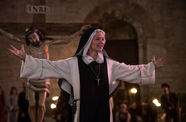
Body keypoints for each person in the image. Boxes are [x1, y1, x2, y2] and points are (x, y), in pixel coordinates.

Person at [8, 27, 166, 122]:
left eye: (103, 39)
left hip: (104, 108)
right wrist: (26, 58)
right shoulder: (72, 63)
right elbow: (50, 66)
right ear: (89, 41)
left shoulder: (110, 64)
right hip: (82, 108)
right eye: (98, 38)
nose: (102, 41)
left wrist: (151, 66)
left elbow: (131, 70)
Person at [1, 25, 90, 122]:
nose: (33, 39)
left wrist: (78, 32)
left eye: (34, 36)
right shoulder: (28, 46)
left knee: (40, 104)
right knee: (32, 104)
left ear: (38, 35)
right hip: (32, 76)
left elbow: (65, 40)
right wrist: (1, 31)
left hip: (43, 77)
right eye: (30, 38)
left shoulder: (46, 43)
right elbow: (13, 37)